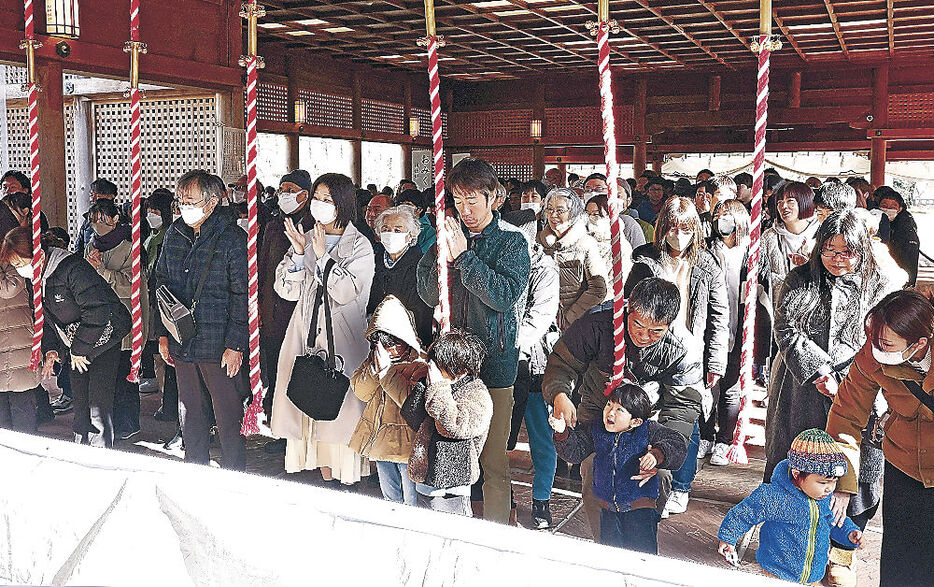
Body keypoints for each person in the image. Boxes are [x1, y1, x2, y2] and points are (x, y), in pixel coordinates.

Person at [543, 277, 704, 539]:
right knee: (594, 468)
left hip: (645, 423)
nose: (643, 335)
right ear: (629, 308)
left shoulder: (682, 347)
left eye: (656, 331)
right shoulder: (597, 323)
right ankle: (605, 544)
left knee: (658, 476)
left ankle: (641, 540)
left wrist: (662, 450)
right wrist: (560, 394)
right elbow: (562, 362)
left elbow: (682, 405)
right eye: (638, 324)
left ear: (669, 325)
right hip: (599, 412)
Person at [416, 157, 531, 524]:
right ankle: (448, 524)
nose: (464, 210)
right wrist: (439, 256)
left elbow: (503, 295)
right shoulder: (447, 236)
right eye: (458, 200)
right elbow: (428, 295)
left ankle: (496, 532)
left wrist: (465, 257)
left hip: (494, 365)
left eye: (472, 201)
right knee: (447, 450)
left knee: (493, 458)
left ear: (493, 198)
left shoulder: (512, 242)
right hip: (451, 363)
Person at [764, 210, 893, 502]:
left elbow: (884, 340)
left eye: (847, 251)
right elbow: (785, 326)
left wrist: (846, 379)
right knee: (796, 466)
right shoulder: (799, 278)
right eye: (829, 250)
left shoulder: (880, 284)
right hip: (801, 388)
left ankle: (844, 538)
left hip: (861, 388)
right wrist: (819, 370)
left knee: (856, 478)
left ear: (862, 248)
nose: (837, 258)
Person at [625, 196, 728, 516]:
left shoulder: (707, 263)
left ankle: (681, 486)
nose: (678, 235)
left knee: (687, 421)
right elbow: (627, 304)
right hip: (650, 348)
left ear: (694, 229)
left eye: (685, 229)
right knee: (648, 418)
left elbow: (719, 316)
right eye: (672, 228)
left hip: (690, 352)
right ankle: (648, 482)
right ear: (662, 229)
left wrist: (715, 362)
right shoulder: (645, 260)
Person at [271, 172, 374, 484]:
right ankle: (323, 478)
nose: (319, 205)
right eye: (316, 198)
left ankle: (345, 484)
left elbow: (344, 292)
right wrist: (300, 256)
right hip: (304, 334)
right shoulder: (307, 235)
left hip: (342, 339)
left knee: (340, 416)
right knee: (306, 407)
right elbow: (286, 290)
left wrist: (321, 256)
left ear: (342, 204)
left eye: (327, 200)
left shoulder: (361, 245)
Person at [826, 289, 934, 587]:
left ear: (920, 344)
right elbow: (846, 414)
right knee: (900, 563)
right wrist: (843, 481)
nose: (876, 349)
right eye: (874, 340)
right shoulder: (874, 354)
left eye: (886, 344)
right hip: (903, 467)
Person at [3, 227, 130, 447]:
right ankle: (81, 447)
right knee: (80, 403)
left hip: (103, 338)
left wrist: (80, 350)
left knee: (97, 404)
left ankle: (101, 453)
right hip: (75, 344)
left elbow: (97, 310)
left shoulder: (72, 267)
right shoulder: (38, 278)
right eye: (16, 266)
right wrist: (51, 348)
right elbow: (47, 317)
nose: (20, 270)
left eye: (22, 263)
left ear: (40, 255)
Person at [155, 170, 248, 470]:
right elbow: (161, 283)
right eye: (180, 200)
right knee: (190, 413)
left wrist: (236, 344)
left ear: (210, 204)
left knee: (228, 416)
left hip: (220, 343)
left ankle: (235, 472)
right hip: (182, 340)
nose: (184, 206)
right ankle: (195, 468)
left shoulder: (232, 238)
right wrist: (163, 335)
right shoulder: (174, 232)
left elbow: (242, 294)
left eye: (190, 200)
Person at [550, 383, 688, 554]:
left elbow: (676, 443)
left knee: (641, 555)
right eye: (609, 405)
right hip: (607, 509)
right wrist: (562, 433)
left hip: (640, 509)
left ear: (636, 421)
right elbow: (575, 452)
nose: (610, 412)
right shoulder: (597, 429)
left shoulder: (648, 430)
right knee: (611, 555)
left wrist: (657, 455)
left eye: (620, 410)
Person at [718, 429, 862, 584]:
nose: (830, 488)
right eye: (823, 482)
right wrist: (728, 536)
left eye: (834, 481)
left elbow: (834, 522)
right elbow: (744, 513)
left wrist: (849, 533)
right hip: (777, 574)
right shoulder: (774, 495)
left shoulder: (825, 499)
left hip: (813, 576)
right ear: (796, 474)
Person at [405, 330, 493, 516]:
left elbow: (455, 427)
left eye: (437, 365)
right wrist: (424, 386)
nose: (433, 369)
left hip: (452, 483)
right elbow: (412, 418)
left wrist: (437, 388)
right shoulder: (440, 385)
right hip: (426, 475)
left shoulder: (477, 394)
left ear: (456, 368)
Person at [257, 170, 315, 454]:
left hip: (301, 315)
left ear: (305, 195)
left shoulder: (315, 226)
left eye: (290, 189)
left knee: (299, 372)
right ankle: (279, 430)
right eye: (281, 190)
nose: (283, 195)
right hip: (273, 313)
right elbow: (264, 270)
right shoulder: (273, 225)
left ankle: (299, 433)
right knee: (277, 371)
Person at [84, 199, 149, 441]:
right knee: (106, 376)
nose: (97, 225)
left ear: (114, 219)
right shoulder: (92, 244)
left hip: (126, 317)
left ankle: (129, 422)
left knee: (125, 374)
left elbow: (132, 284)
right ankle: (109, 422)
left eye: (102, 219)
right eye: (93, 220)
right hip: (101, 319)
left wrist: (103, 272)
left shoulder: (129, 245)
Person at [350, 295, 424, 505]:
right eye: (380, 343)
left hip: (407, 446)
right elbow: (361, 392)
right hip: (381, 443)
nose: (388, 349)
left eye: (391, 343)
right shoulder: (373, 360)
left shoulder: (420, 363)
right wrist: (374, 369)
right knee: (390, 498)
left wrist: (387, 374)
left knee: (412, 499)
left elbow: (411, 403)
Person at [508, 226, 559, 528]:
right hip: (506, 368)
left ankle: (542, 501)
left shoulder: (544, 270)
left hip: (537, 366)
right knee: (502, 441)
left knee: (543, 441)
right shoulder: (500, 263)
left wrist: (512, 344)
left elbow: (538, 318)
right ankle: (507, 497)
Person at [701, 200, 751, 466]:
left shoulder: (750, 254)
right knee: (708, 383)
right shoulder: (707, 252)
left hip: (739, 325)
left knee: (731, 386)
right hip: (711, 325)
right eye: (718, 215)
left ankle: (725, 441)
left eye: (727, 216)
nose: (721, 220)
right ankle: (706, 435)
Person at [538, 187, 612, 330]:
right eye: (549, 209)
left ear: (574, 213)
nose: (553, 215)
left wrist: (569, 317)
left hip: (575, 323)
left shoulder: (586, 243)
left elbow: (598, 288)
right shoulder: (537, 241)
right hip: (542, 321)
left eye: (560, 210)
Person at [368, 205, 432, 345]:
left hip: (408, 341)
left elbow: (421, 311)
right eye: (385, 229)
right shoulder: (374, 260)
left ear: (410, 235)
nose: (391, 234)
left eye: (398, 230)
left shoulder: (420, 263)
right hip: (374, 338)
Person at [143, 189, 180, 427]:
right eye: (149, 211)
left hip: (163, 304)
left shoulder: (169, 237)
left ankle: (171, 406)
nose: (151, 215)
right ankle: (167, 403)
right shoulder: (151, 237)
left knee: (168, 361)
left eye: (156, 211)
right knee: (159, 358)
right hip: (152, 303)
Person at [759, 180, 819, 321]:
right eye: (779, 202)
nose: (783, 206)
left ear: (805, 201)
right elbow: (761, 274)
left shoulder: (820, 233)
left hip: (813, 311)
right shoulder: (769, 237)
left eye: (790, 201)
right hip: (779, 312)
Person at [0, 248, 41, 433]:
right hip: (7, 340)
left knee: (22, 403)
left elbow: (11, 287)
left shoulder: (11, 258)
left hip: (16, 342)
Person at [875, 186, 919, 285]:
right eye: (884, 205)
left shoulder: (906, 226)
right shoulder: (877, 221)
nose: (888, 209)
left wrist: (909, 282)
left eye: (893, 207)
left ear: (899, 209)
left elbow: (911, 257)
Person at [74, 178, 120, 254]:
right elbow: (80, 244)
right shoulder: (88, 220)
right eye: (92, 195)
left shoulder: (120, 219)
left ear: (111, 196)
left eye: (98, 195)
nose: (94, 199)